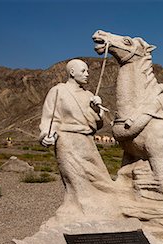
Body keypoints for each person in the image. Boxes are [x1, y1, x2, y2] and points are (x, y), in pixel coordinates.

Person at [39, 59, 123, 223]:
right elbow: (51, 118)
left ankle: (102, 216)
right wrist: (48, 135)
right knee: (77, 184)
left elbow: (98, 125)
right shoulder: (58, 91)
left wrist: (97, 109)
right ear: (72, 72)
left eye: (87, 71)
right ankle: (77, 217)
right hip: (67, 143)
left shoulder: (89, 96)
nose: (87, 74)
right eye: (83, 71)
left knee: (101, 181)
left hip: (87, 143)